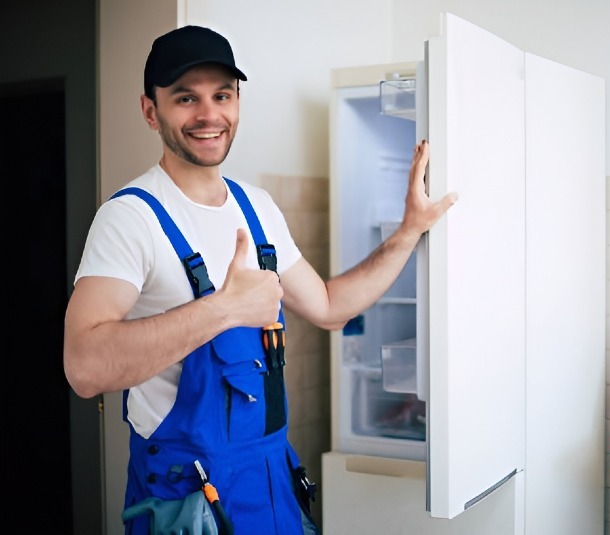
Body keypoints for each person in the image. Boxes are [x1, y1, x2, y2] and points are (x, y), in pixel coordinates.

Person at [63, 25, 457, 535]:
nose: (209, 115)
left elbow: (331, 306)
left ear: (237, 102)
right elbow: (83, 367)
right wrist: (223, 309)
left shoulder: (258, 209)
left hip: (271, 485)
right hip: (188, 503)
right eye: (186, 98)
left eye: (222, 95)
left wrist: (409, 231)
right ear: (149, 110)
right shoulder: (130, 218)